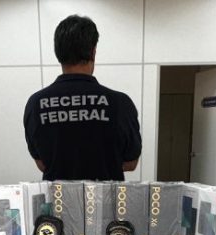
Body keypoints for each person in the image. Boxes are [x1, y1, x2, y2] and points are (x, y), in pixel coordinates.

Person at [24, 15, 141, 181]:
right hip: (106, 197)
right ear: (93, 52)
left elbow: (42, 164)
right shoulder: (120, 103)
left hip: (58, 197)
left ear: (58, 53)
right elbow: (131, 163)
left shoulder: (36, 104)